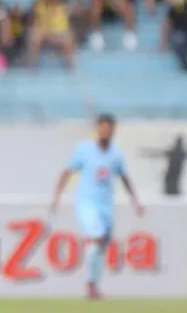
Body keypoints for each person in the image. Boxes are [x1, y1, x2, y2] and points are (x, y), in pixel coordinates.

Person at [50, 114, 144, 301]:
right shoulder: (84, 150)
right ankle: (92, 284)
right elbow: (67, 171)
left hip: (106, 206)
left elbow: (124, 177)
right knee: (95, 237)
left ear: (113, 131)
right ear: (97, 129)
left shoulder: (116, 154)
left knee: (101, 246)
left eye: (109, 129)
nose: (106, 131)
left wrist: (135, 200)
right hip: (86, 202)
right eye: (102, 128)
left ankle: (94, 284)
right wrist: (57, 196)